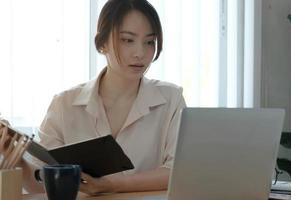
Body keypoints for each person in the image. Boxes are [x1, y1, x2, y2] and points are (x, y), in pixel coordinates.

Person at [0, 0, 186, 195]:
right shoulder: (64, 105)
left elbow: (180, 171)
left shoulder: (171, 99)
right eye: (127, 40)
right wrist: (16, 157)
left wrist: (113, 185)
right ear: (102, 43)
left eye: (149, 42)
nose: (140, 53)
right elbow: (43, 185)